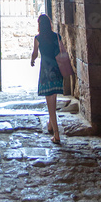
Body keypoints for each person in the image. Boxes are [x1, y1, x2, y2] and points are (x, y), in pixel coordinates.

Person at [31, 13, 63, 144]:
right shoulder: (56, 36)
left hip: (45, 71)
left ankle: (56, 134)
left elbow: (35, 53)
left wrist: (32, 60)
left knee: (50, 104)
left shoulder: (38, 38)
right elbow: (61, 51)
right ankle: (50, 124)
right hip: (56, 70)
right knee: (53, 100)